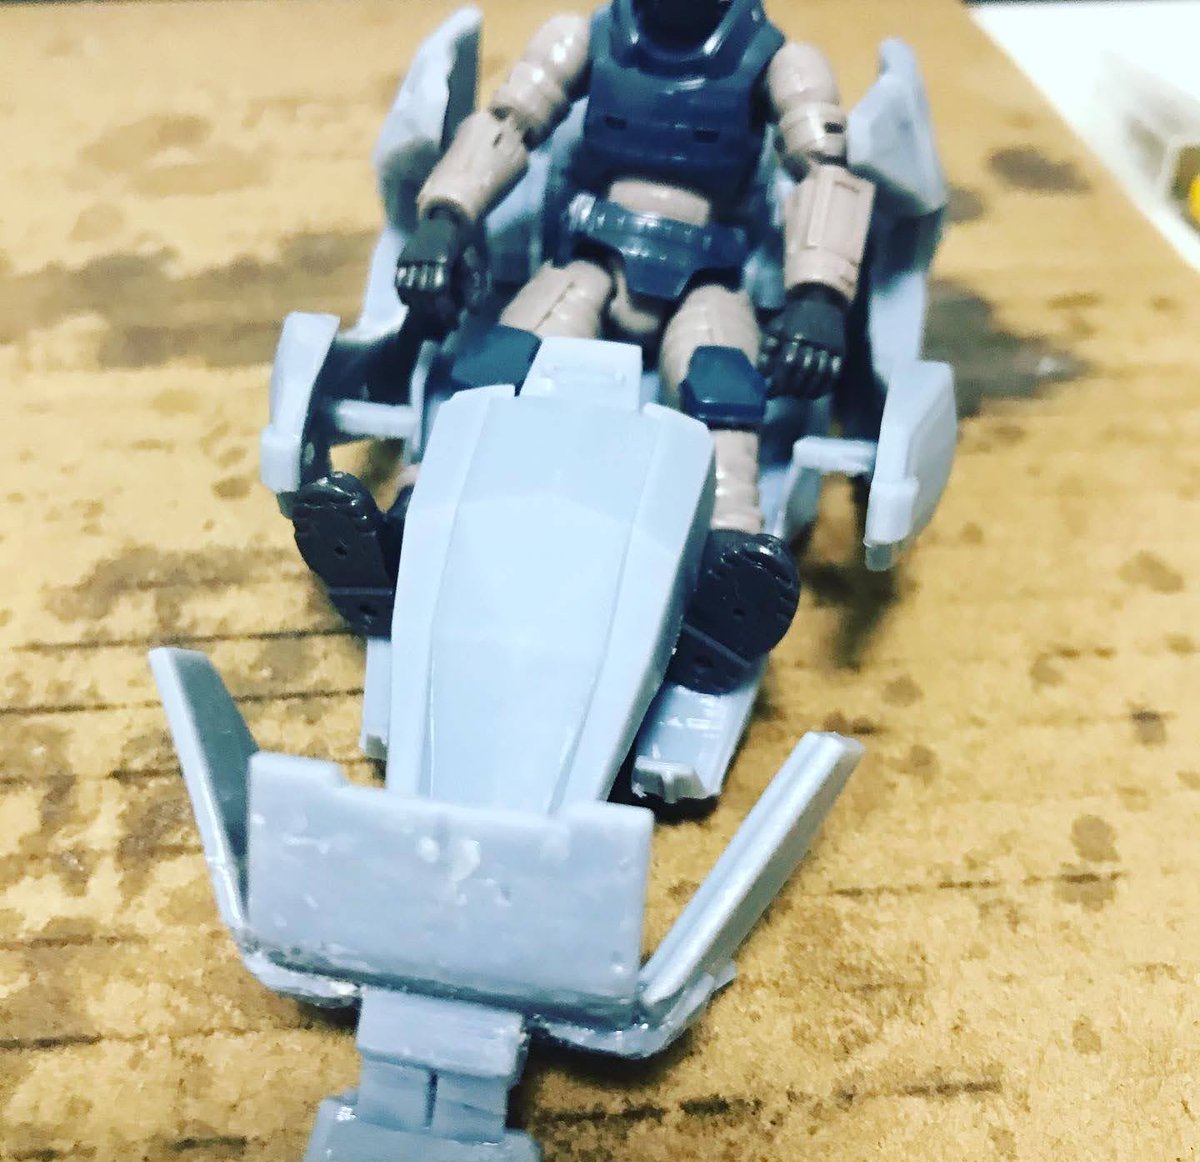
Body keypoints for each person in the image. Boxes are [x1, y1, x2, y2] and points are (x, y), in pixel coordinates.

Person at [294, 0, 876, 693]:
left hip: (708, 275)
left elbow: (823, 172)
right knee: (498, 367)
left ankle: (726, 571)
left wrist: (819, 296)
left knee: (723, 391)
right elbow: (507, 124)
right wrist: (447, 215)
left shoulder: (780, 62)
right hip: (593, 256)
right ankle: (405, 534)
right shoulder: (582, 38)